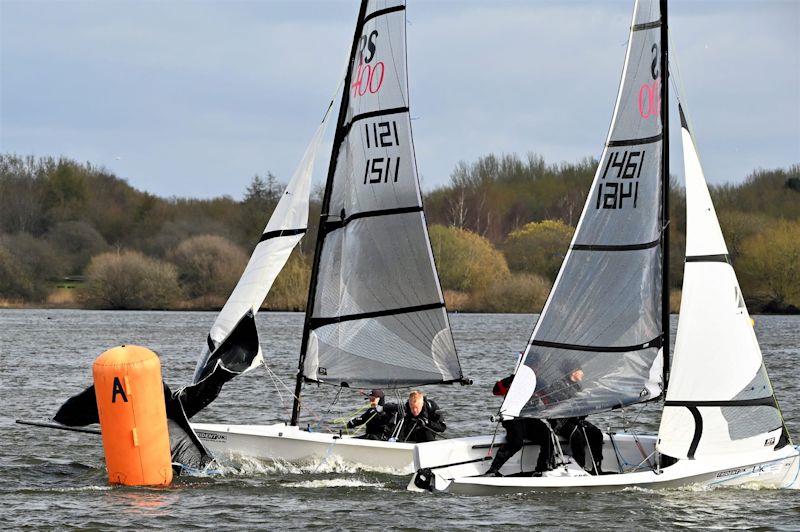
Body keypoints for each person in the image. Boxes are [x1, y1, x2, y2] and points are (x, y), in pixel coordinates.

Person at [485, 374, 555, 477]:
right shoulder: (515, 378)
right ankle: (492, 470)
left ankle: (542, 469)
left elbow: (548, 401)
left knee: (547, 436)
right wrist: (510, 380)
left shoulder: (539, 381)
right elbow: (496, 391)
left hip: (530, 418)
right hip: (512, 417)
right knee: (516, 442)